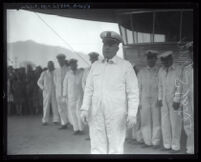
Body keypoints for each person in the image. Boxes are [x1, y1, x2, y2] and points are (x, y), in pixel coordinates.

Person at [80, 31, 139, 154]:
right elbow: (88, 89)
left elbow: (133, 92)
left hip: (116, 112)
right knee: (96, 145)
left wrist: (132, 114)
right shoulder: (96, 66)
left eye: (110, 45)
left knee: (116, 146)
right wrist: (84, 108)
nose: (106, 47)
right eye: (105, 44)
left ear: (117, 48)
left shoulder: (125, 66)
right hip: (96, 111)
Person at [157, 51, 183, 153]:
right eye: (163, 61)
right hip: (164, 100)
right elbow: (160, 85)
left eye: (167, 60)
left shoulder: (178, 70)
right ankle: (167, 145)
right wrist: (159, 98)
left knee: (175, 124)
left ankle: (175, 146)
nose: (165, 63)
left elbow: (180, 86)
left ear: (171, 59)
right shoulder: (161, 71)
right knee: (165, 123)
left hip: (174, 100)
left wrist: (176, 100)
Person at [137, 50, 161, 148]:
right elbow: (138, 88)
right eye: (149, 58)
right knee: (145, 121)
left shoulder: (159, 71)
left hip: (156, 99)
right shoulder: (141, 72)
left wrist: (160, 99)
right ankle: (147, 141)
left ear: (156, 59)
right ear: (146, 60)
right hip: (144, 99)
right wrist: (138, 102)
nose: (151, 60)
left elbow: (161, 86)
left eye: (153, 58)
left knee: (156, 121)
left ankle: (155, 142)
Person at [174, 42, 194, 154]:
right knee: (188, 124)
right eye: (191, 51)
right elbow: (180, 86)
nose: (192, 53)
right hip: (187, 101)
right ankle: (191, 148)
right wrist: (177, 100)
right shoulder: (186, 69)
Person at [63, 59, 84, 135]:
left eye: (74, 64)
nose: (73, 66)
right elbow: (65, 84)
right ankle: (76, 129)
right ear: (70, 65)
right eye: (71, 64)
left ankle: (81, 129)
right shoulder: (68, 74)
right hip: (71, 96)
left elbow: (83, 83)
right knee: (72, 113)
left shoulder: (81, 72)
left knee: (78, 112)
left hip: (79, 95)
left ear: (76, 64)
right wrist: (64, 95)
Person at [82, 52, 99, 140]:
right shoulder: (86, 70)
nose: (93, 60)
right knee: (90, 116)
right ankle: (91, 135)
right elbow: (83, 82)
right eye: (92, 59)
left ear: (97, 59)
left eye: (95, 59)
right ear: (90, 60)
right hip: (90, 97)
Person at [37, 61, 60, 125]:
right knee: (46, 106)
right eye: (49, 65)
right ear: (47, 66)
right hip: (46, 92)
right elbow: (39, 82)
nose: (50, 66)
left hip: (54, 91)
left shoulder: (56, 73)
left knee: (55, 106)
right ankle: (45, 120)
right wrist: (43, 88)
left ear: (53, 65)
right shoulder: (44, 73)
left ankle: (56, 119)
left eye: (51, 65)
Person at [54, 54, 69, 129]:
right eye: (59, 60)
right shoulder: (56, 70)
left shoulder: (68, 69)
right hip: (58, 92)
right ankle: (64, 123)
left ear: (64, 60)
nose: (60, 61)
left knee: (67, 108)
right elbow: (55, 81)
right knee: (60, 109)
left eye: (61, 60)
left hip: (65, 92)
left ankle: (71, 122)